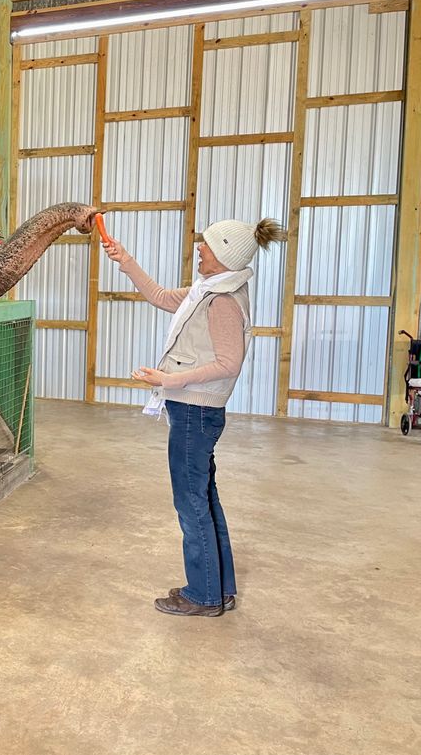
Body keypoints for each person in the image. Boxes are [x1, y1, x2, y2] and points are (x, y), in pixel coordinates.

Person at [105, 218, 286, 617]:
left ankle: (203, 596)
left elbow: (228, 362)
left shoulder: (222, 301)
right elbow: (161, 296)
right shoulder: (209, 290)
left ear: (223, 255)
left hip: (195, 412)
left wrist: (171, 379)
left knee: (191, 503)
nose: (199, 250)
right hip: (193, 410)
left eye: (205, 245)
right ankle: (217, 588)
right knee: (204, 498)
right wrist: (126, 259)